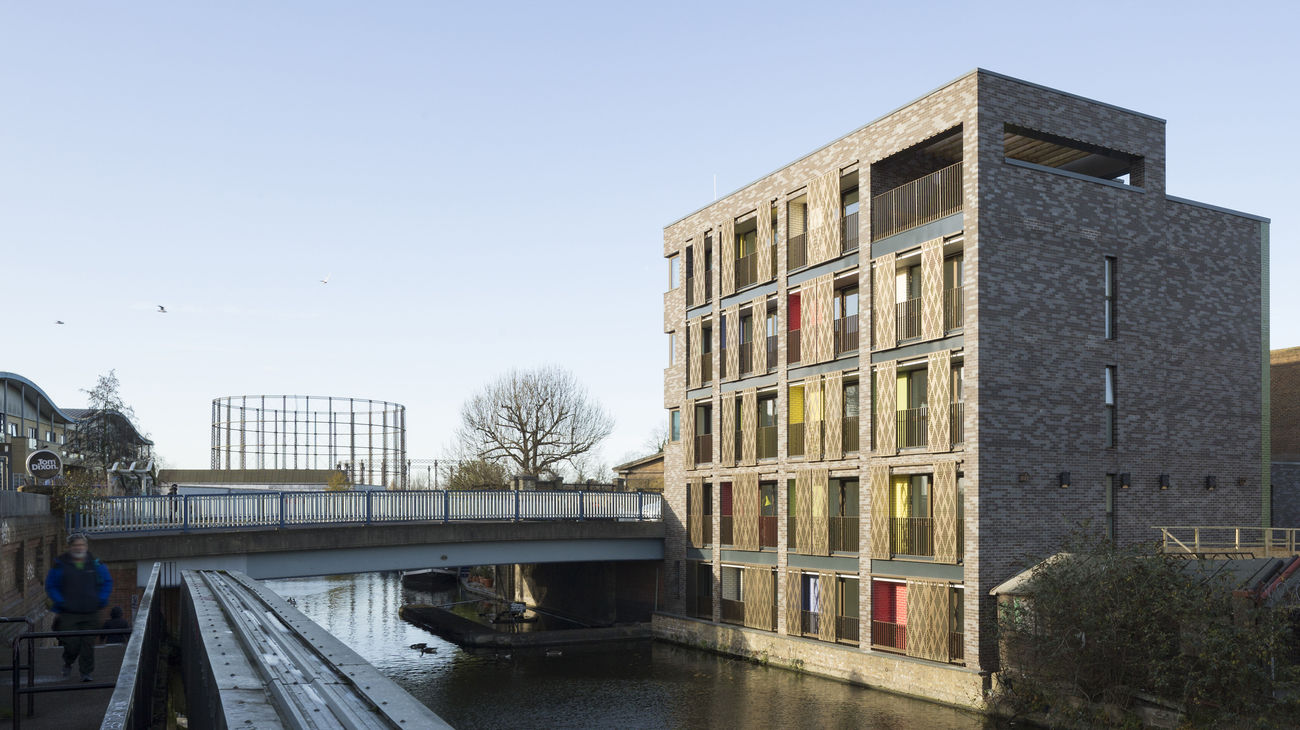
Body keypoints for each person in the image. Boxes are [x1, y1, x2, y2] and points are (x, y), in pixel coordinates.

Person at [44, 533, 112, 681]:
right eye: (76, 545)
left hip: (91, 611)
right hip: (69, 612)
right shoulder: (60, 564)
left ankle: (86, 672)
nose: (79, 548)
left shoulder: (96, 564)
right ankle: (68, 661)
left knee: (88, 644)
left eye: (82, 545)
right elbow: (51, 585)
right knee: (72, 643)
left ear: (86, 547)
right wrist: (60, 601)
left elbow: (107, 581)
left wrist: (101, 599)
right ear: (70, 547)